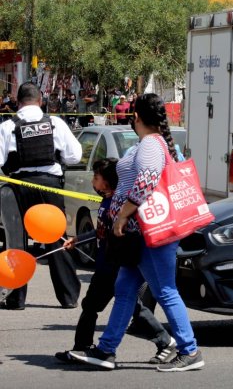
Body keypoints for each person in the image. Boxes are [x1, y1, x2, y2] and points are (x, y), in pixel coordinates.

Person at [69, 93, 203, 372]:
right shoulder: (150, 143)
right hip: (138, 234)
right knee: (125, 289)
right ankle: (106, 350)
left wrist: (122, 215)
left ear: (137, 117)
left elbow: (146, 182)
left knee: (165, 290)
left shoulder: (152, 145)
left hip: (148, 233)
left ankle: (190, 351)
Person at [55, 158, 177, 365]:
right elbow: (101, 231)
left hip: (115, 264)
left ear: (108, 182)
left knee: (100, 306)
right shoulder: (107, 201)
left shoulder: (119, 205)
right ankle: (164, 342)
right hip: (106, 263)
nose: (93, 181)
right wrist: (78, 240)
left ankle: (84, 348)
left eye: (96, 177)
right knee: (124, 307)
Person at [0, 82, 82, 310]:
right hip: (50, 187)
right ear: (41, 101)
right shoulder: (55, 123)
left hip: (19, 187)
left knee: (16, 242)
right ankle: (68, 297)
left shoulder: (7, 126)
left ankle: (16, 298)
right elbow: (75, 156)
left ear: (17, 103)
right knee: (56, 238)